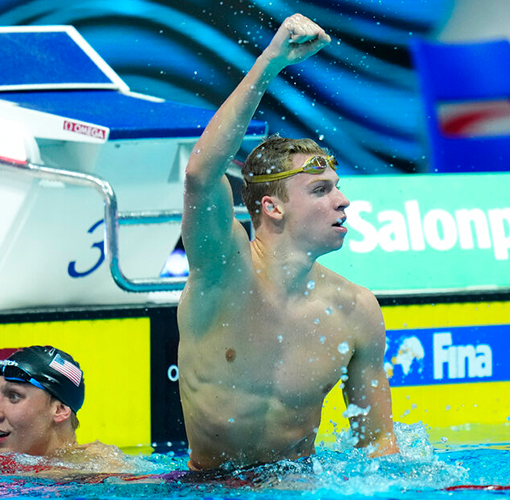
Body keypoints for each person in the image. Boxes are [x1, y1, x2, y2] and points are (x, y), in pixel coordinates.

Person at [178, 13, 398, 470]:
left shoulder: (355, 309)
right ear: (272, 208)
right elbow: (201, 174)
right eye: (321, 190)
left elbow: (377, 445)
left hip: (298, 485)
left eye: (337, 187)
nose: (344, 201)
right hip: (206, 489)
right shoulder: (222, 272)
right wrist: (270, 64)